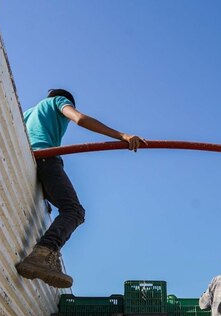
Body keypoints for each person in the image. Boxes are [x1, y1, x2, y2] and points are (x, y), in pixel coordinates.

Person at [15, 88, 146, 288]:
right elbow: (79, 118)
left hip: (32, 160)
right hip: (47, 159)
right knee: (75, 211)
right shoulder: (57, 101)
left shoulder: (28, 113)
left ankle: (48, 255)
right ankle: (43, 253)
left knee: (67, 207)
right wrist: (122, 135)